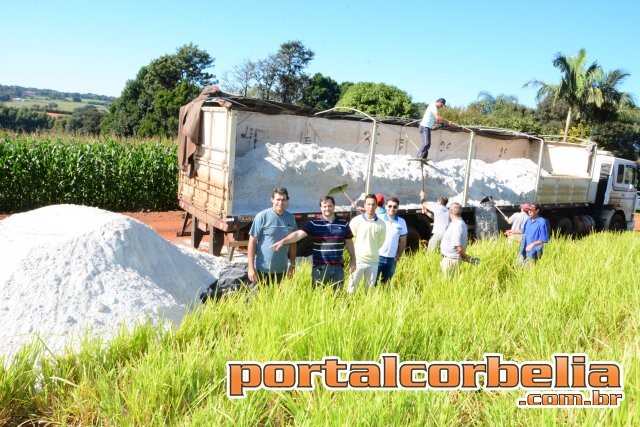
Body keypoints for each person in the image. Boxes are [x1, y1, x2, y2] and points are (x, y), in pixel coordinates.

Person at [270, 195, 356, 290]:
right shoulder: (315, 223)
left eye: (330, 206)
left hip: (338, 268)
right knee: (317, 296)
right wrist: (283, 241)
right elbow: (298, 234)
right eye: (324, 206)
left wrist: (353, 259)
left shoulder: (343, 223)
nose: (327, 208)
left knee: (338, 297)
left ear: (334, 206)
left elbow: (349, 242)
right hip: (320, 268)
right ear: (321, 208)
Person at [247, 187, 297, 285]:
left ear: (287, 200)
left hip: (282, 270)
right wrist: (251, 267)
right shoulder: (262, 217)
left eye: (283, 200)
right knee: (260, 299)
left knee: (279, 300)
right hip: (262, 270)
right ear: (272, 199)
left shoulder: (291, 218)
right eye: (278, 199)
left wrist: (293, 265)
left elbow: (293, 243)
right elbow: (252, 242)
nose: (280, 202)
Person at [347, 194, 387, 294]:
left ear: (376, 206)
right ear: (364, 205)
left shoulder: (381, 224)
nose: (371, 207)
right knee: (351, 289)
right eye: (368, 204)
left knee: (369, 290)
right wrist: (353, 258)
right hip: (358, 261)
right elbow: (350, 240)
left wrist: (370, 250)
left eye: (373, 204)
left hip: (373, 261)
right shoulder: (356, 221)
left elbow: (380, 243)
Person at [377, 196, 408, 284]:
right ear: (385, 207)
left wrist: (398, 257)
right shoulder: (379, 218)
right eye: (390, 206)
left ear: (398, 208)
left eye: (395, 207)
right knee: (372, 284)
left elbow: (403, 242)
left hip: (391, 260)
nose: (392, 208)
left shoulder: (402, 222)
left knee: (386, 285)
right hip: (377, 257)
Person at [440, 202, 475, 278]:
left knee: (447, 285)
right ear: (460, 212)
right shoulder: (458, 223)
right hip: (451, 260)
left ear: (450, 211)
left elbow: (458, 247)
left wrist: (466, 257)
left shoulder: (457, 225)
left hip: (450, 261)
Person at [517, 203, 549, 268]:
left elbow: (543, 239)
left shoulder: (542, 222)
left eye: (532, 209)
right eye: (528, 209)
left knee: (527, 272)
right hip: (523, 250)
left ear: (537, 210)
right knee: (517, 267)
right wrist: (512, 231)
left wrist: (532, 245)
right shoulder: (528, 219)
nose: (529, 211)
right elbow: (523, 231)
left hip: (533, 252)